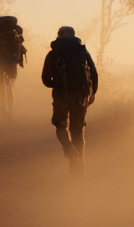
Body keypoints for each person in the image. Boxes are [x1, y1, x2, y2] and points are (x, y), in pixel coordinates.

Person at [41, 26, 98, 177]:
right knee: (77, 131)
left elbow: (45, 79)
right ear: (74, 35)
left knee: (60, 125)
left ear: (58, 36)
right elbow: (94, 73)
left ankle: (69, 150)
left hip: (61, 96)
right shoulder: (82, 52)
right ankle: (81, 167)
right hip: (81, 96)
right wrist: (92, 93)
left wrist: (57, 86)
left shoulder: (53, 54)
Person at [0, 15, 26, 118]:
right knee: (10, 85)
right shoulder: (15, 35)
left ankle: (3, 107)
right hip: (11, 63)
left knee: (1, 86)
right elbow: (21, 49)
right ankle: (11, 111)